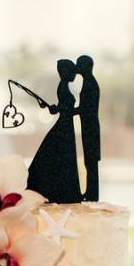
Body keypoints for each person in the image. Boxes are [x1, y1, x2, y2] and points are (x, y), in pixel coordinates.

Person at [27, 59, 82, 204]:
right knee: (62, 157)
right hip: (65, 125)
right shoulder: (63, 87)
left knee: (62, 157)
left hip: (66, 124)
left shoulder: (63, 86)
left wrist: (56, 108)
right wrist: (81, 110)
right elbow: (66, 109)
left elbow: (61, 108)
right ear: (66, 72)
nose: (75, 75)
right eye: (73, 72)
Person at [76, 54, 100, 202]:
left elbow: (86, 108)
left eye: (80, 65)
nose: (77, 68)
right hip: (88, 126)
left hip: (90, 127)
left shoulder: (90, 84)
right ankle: (90, 192)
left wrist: (68, 111)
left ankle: (92, 193)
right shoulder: (87, 82)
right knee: (89, 161)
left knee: (91, 162)